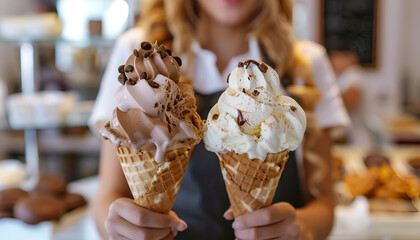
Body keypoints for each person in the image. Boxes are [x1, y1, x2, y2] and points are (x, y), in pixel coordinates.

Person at [89, 0, 350, 239]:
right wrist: (119, 226)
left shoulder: (306, 63)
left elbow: (325, 204)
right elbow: (107, 199)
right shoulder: (141, 56)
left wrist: (302, 227)